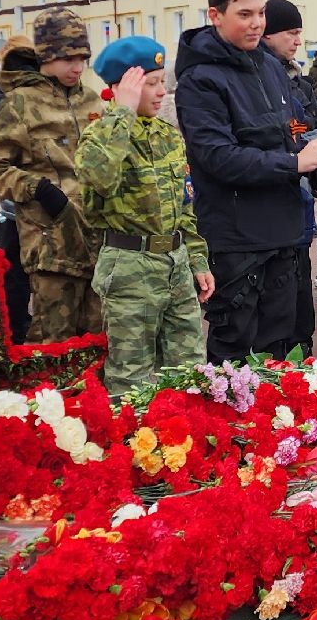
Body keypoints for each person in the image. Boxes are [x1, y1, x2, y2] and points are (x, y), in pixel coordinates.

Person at [175, 0, 317, 360]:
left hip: (283, 234)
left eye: (260, 13)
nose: (256, 23)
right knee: (233, 352)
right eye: (244, 14)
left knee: (279, 350)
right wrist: (294, 162)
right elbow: (217, 157)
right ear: (215, 15)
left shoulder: (267, 67)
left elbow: (290, 129)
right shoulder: (200, 78)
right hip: (236, 239)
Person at [77, 36, 214, 394]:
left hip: (175, 266)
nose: (159, 92)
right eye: (149, 84)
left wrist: (197, 260)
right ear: (121, 88)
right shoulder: (98, 135)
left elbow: (185, 208)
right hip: (129, 268)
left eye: (160, 83)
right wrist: (122, 112)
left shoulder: (168, 136)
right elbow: (100, 177)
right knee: (130, 380)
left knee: (189, 374)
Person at [0, 10, 104, 344]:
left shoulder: (91, 100)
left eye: (83, 59)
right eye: (67, 58)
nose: (77, 67)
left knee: (98, 341)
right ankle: (43, 399)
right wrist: (38, 189)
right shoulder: (22, 103)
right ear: (46, 56)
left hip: (98, 241)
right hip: (51, 248)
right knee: (52, 345)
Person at [260, 0, 317, 353]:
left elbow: (315, 129)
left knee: (300, 305)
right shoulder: (261, 79)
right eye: (291, 33)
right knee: (276, 314)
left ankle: (301, 354)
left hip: (300, 208)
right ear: (269, 34)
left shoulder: (297, 82)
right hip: (274, 211)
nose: (297, 41)